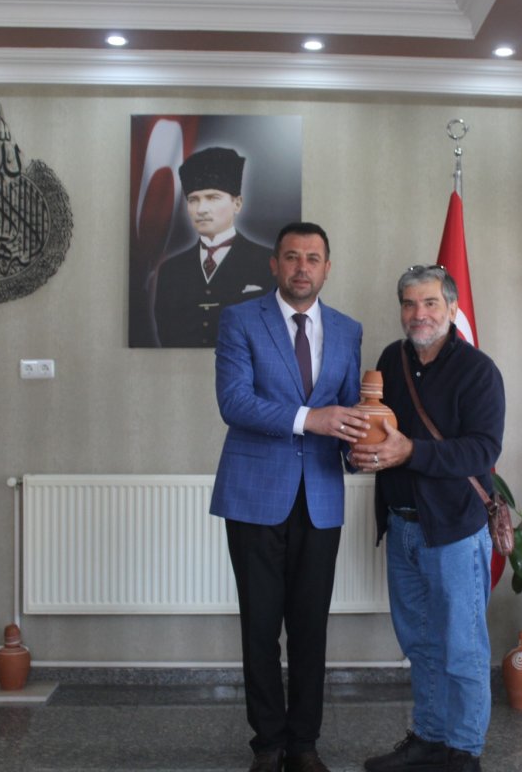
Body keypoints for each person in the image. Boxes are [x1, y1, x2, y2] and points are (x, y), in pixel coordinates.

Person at [211, 221, 370, 772]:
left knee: (310, 627)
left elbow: (347, 412)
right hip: (254, 495)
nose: (303, 267)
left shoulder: (348, 330)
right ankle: (267, 744)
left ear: (327, 268)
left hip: (321, 496)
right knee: (260, 627)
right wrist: (311, 418)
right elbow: (234, 402)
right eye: (292, 257)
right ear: (274, 265)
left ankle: (303, 743)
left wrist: (360, 451)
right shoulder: (240, 320)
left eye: (313, 258)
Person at [350, 265, 505, 772]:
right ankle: (431, 739)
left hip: (455, 531)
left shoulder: (479, 371)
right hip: (402, 527)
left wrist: (410, 451)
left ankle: (464, 751)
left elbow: (482, 451)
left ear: (453, 308)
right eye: (410, 304)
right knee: (419, 644)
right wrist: (361, 453)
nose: (420, 314)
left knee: (462, 647)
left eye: (431, 303)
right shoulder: (389, 361)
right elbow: (376, 431)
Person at [154, 146, 274, 347]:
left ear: (237, 204)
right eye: (193, 200)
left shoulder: (268, 262)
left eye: (213, 198)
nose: (201, 209)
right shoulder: (170, 270)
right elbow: (166, 336)